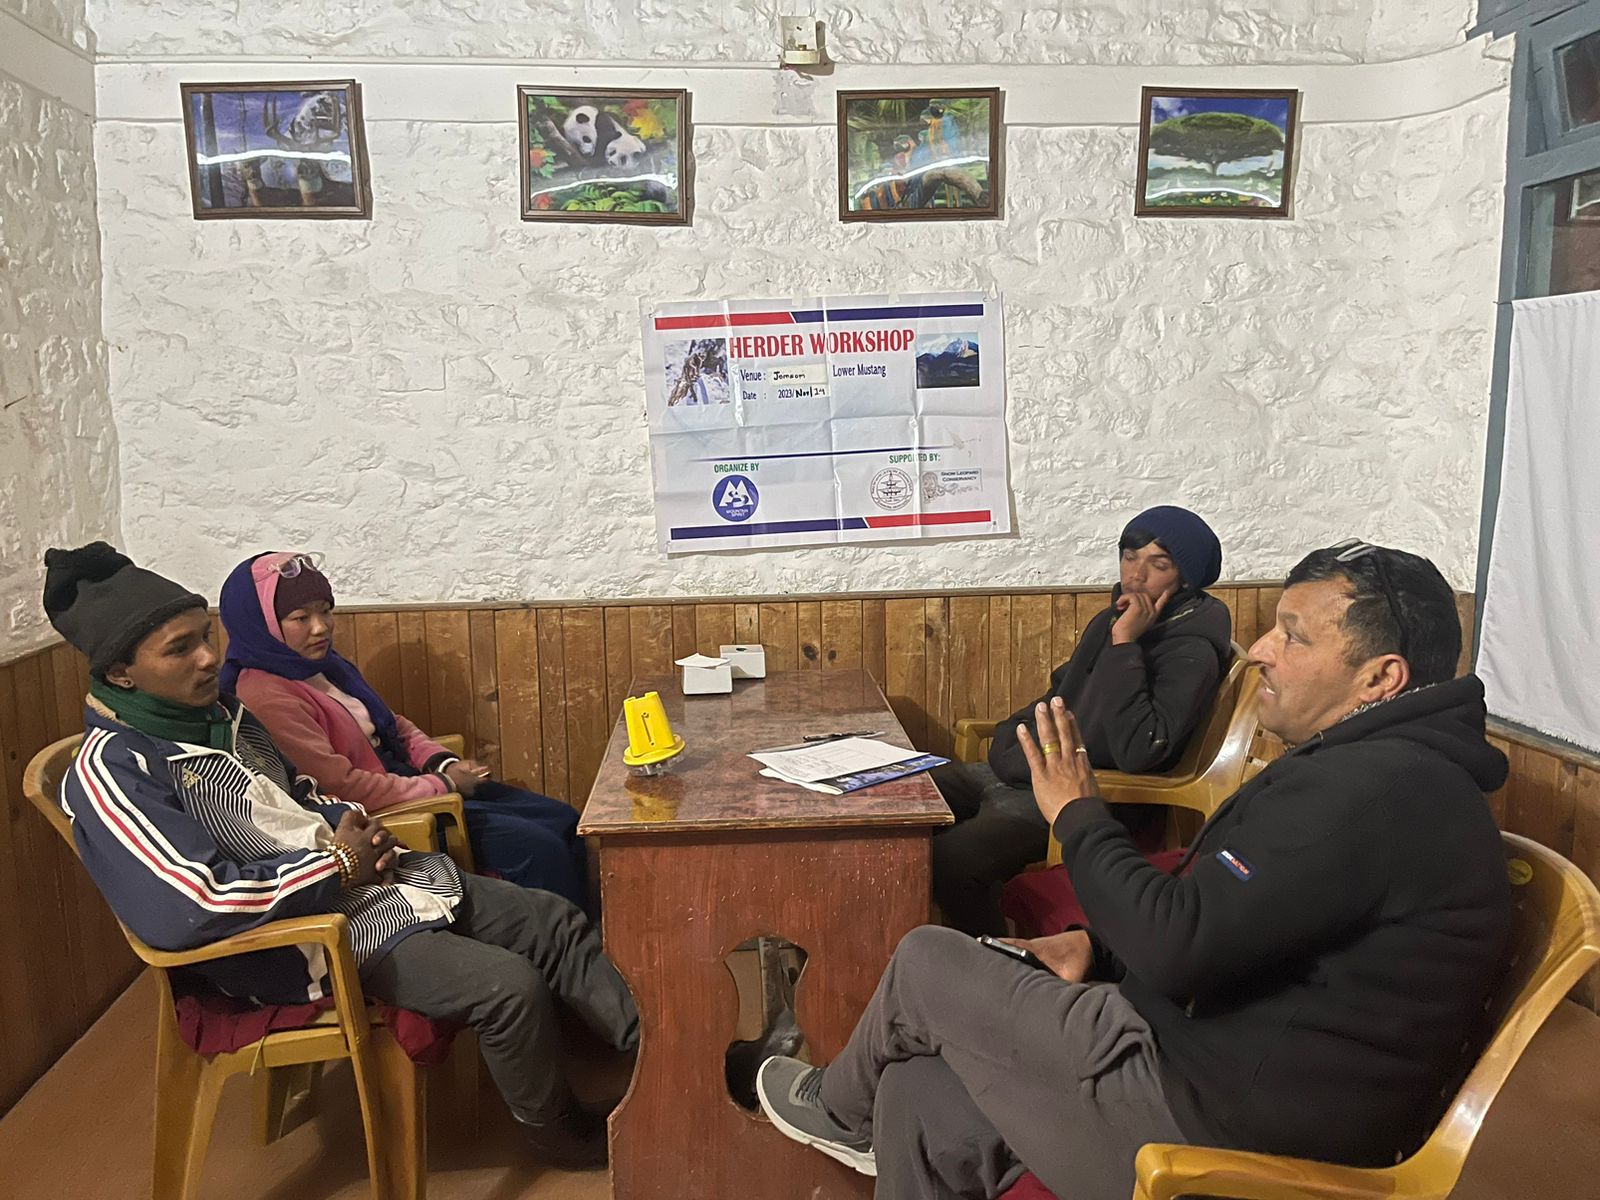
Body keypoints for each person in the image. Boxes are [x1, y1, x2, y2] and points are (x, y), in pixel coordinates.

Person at [757, 540, 1512, 1200]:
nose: (1259, 651)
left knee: (927, 961)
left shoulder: (1380, 790)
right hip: (1203, 1056)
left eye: (1293, 637)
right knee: (919, 1092)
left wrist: (1077, 815)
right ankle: (859, 1115)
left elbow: (1181, 943)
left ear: (1380, 678)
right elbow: (1236, 917)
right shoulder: (1387, 773)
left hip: (1217, 1128)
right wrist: (1096, 944)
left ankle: (836, 1111)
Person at [44, 543, 636, 1168]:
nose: (207, 658)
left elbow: (299, 794)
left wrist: (347, 825)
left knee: (550, 918)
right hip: (295, 942)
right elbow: (192, 905)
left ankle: (668, 1063)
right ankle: (559, 1132)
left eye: (204, 636)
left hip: (361, 888)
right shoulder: (113, 770)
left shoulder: (225, 718)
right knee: (507, 986)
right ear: (120, 673)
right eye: (179, 648)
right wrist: (338, 865)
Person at [217, 551, 592, 913]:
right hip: (392, 812)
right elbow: (341, 787)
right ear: (261, 624)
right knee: (539, 848)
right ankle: (565, 955)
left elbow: (392, 725)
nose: (321, 627)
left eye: (326, 611)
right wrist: (443, 787)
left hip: (414, 783)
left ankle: (598, 936)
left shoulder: (325, 666)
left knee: (563, 818)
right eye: (301, 617)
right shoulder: (265, 693)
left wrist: (441, 763)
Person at [930, 505, 1231, 935]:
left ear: (1186, 577)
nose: (1136, 575)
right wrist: (1010, 740)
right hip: (1038, 771)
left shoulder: (1190, 649)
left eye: (1158, 564)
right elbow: (1060, 693)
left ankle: (1005, 961)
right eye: (1129, 556)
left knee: (950, 862)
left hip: (1094, 791)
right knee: (912, 799)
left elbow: (1142, 747)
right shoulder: (1111, 619)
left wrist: (1126, 645)